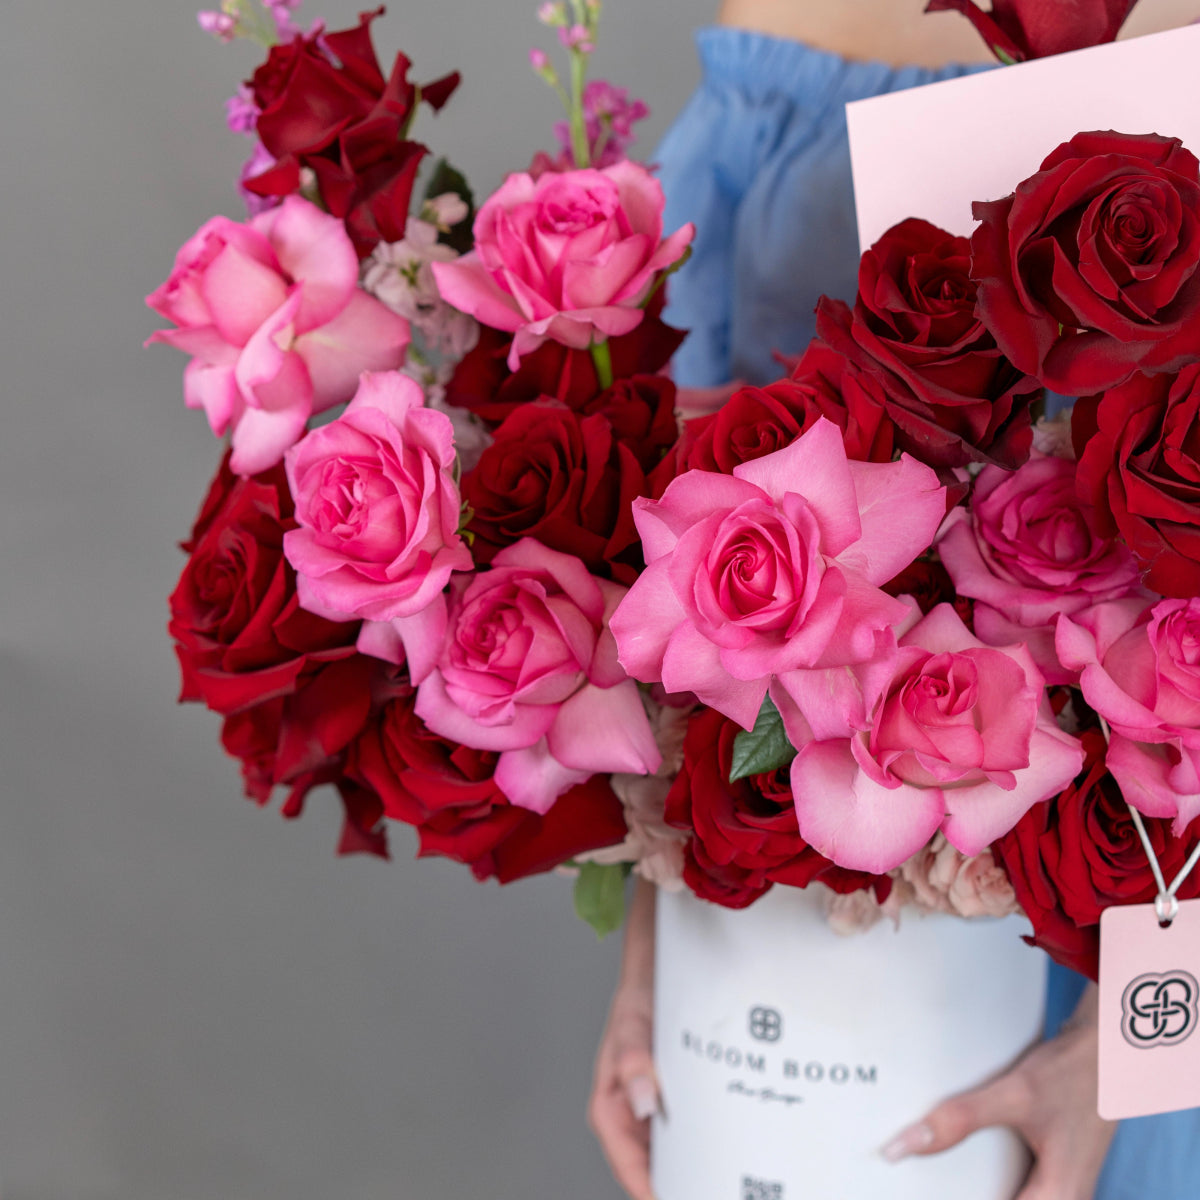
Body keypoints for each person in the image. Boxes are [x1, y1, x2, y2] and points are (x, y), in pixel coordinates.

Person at [589, 1, 1200, 1197]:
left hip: (1144, 986)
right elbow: (680, 567)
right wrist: (661, 962)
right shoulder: (780, 33)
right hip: (835, 979)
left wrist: (1138, 1053)